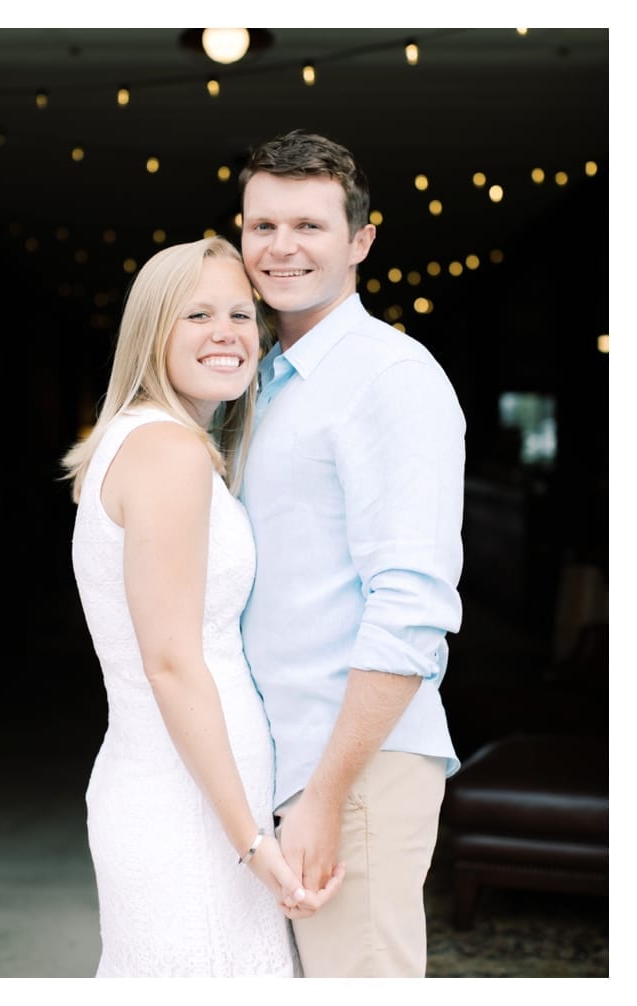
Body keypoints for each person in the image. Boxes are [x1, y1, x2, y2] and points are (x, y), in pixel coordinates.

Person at [64, 236, 343, 977]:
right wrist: (251, 840)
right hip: (190, 811)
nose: (228, 332)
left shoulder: (144, 442)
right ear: (152, 332)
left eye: (241, 314)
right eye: (197, 314)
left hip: (180, 788)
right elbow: (172, 663)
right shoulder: (169, 452)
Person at [237, 129, 465, 978]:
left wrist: (327, 796)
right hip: (282, 762)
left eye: (309, 225)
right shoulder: (262, 378)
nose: (282, 247)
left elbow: (411, 606)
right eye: (263, 226)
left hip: (351, 768)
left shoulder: (391, 377)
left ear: (361, 241)